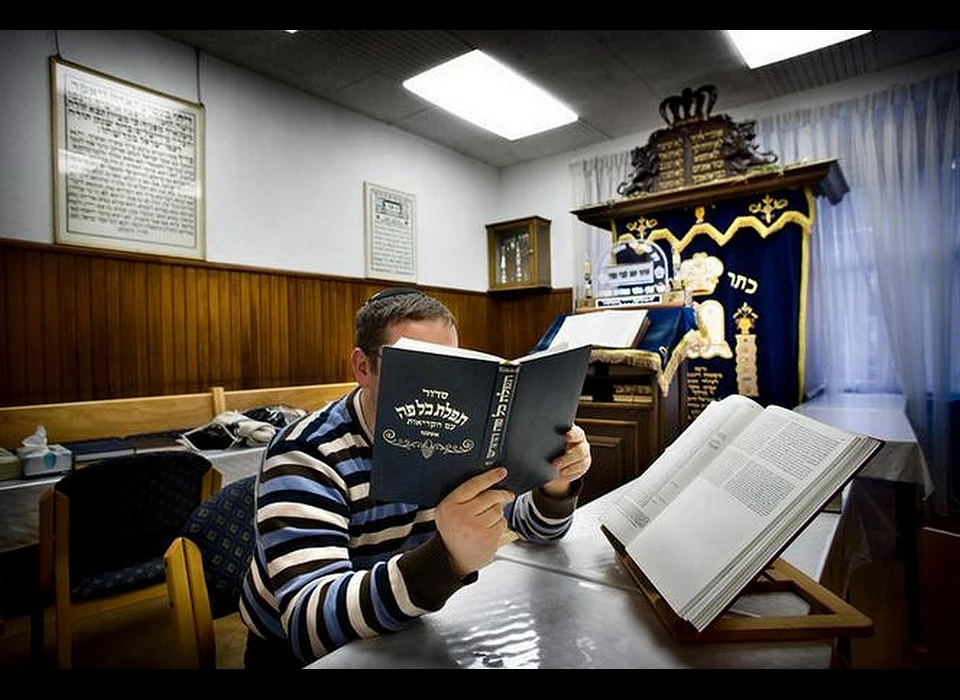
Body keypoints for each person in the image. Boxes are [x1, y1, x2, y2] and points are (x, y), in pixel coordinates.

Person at [238, 287, 593, 668]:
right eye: (418, 367)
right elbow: (312, 626)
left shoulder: (455, 435)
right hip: (294, 656)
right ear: (363, 368)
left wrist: (556, 483)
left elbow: (537, 529)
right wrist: (448, 560)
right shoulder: (306, 453)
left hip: (406, 628)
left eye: (451, 367)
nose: (439, 389)